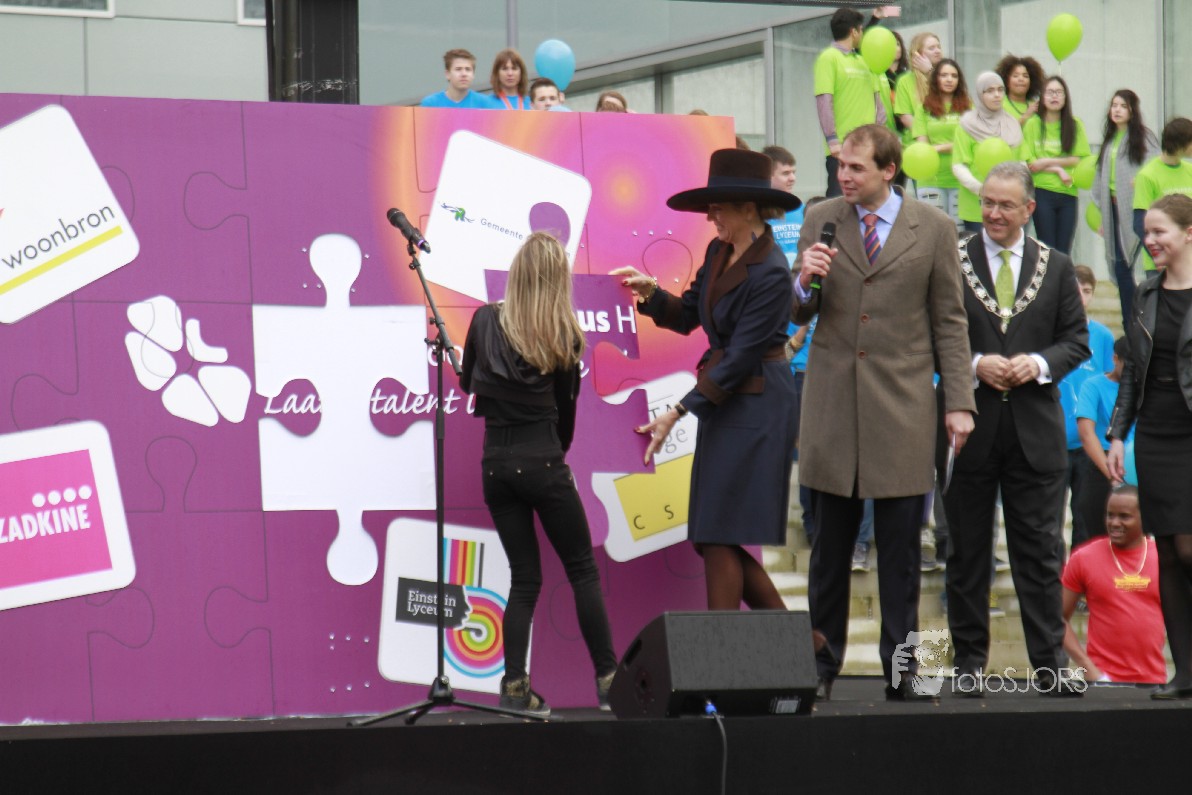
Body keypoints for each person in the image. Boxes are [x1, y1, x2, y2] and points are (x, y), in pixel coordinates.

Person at [793, 124, 975, 701]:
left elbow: (950, 320)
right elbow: (800, 312)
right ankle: (820, 667)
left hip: (902, 405)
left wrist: (960, 402)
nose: (843, 176)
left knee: (902, 554)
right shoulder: (821, 217)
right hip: (832, 404)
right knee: (828, 552)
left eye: (856, 167)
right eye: (840, 166)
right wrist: (803, 281)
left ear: (888, 170)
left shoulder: (935, 227)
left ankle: (905, 671)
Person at [611, 149, 800, 617]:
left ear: (749, 208)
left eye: (719, 208)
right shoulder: (719, 251)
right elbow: (689, 314)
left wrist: (679, 410)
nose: (711, 217)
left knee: (716, 533)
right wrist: (652, 293)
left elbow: (740, 358)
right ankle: (804, 643)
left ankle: (726, 647)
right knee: (712, 533)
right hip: (726, 401)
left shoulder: (773, 271)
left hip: (758, 406)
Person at [942, 161, 1090, 697]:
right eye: (987, 202)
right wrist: (974, 364)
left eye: (1005, 205)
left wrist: (1039, 363)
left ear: (1030, 208)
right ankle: (968, 665)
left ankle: (1049, 665)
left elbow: (1076, 341)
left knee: (1041, 554)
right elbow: (932, 334)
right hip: (969, 427)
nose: (994, 213)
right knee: (966, 553)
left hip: (1035, 430)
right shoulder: (951, 259)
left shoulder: (1058, 266)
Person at [460, 232, 618, 716]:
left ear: (517, 272)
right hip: (545, 461)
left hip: (495, 465)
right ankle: (609, 681)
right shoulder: (565, 334)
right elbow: (567, 416)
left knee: (524, 579)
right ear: (557, 280)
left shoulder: (484, 319)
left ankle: (514, 686)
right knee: (582, 570)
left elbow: (467, 382)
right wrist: (553, 454)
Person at [1108, 193, 1192, 699]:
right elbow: (1132, 372)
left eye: (1160, 231)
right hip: (1156, 433)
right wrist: (1118, 433)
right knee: (1169, 554)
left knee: (1189, 548)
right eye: (1147, 232)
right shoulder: (1145, 292)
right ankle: (1186, 673)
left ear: (1189, 233)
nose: (1150, 240)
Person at [1062, 486, 1166, 685]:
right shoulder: (1084, 557)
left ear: (1145, 517)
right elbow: (1056, 619)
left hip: (1154, 682)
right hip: (1101, 682)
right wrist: (1087, 667)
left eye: (1124, 516)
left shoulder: (1164, 558)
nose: (1114, 523)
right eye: (1110, 515)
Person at [1090, 90, 1160, 329]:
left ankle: (1146, 319)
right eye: (1114, 105)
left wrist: (1139, 181)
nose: (1117, 110)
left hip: (1136, 209)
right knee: (1120, 266)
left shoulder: (1145, 137)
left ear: (1132, 110)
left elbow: (1154, 166)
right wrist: (1103, 217)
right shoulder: (1110, 139)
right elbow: (1100, 176)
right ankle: (1129, 323)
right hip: (1112, 210)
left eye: (1123, 106)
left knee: (1143, 261)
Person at [1058, 266, 1116, 550]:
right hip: (1054, 440)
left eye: (1088, 291)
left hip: (1090, 444)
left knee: (1085, 522)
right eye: (1075, 290)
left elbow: (1109, 385)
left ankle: (1082, 574)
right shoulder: (1048, 332)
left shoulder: (1102, 336)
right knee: (1049, 520)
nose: (1081, 297)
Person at [814, 7, 885, 197]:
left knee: (867, 202)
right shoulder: (829, 57)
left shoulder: (864, 61)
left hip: (868, 148)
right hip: (842, 150)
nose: (863, 34)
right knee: (839, 203)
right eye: (861, 30)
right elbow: (824, 100)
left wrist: (880, 138)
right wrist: (832, 140)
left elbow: (878, 104)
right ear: (854, 32)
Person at [1021, 76, 1089, 254]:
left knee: (1064, 251)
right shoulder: (1033, 124)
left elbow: (1078, 159)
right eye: (1050, 92)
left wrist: (1047, 162)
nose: (1054, 96)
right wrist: (1059, 169)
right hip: (1041, 192)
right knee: (1047, 248)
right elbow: (1031, 164)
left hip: (1068, 193)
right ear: (1042, 97)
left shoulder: (1075, 124)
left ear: (1066, 97)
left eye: (1059, 92)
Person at [952, 72, 1023, 235]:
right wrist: (983, 190)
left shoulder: (1012, 124)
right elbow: (959, 166)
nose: (997, 95)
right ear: (979, 94)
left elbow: (1021, 163)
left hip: (1008, 205)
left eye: (1000, 90)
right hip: (975, 205)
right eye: (990, 91)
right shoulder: (967, 125)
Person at [1076, 335, 1129, 550]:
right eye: (1129, 366)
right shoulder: (1094, 386)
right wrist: (1112, 476)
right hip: (1102, 464)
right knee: (1098, 538)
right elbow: (1087, 434)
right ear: (1116, 359)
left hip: (1136, 463)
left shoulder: (1145, 388)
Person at [912, 58, 971, 229]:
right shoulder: (923, 109)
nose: (949, 79)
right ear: (935, 78)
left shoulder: (969, 108)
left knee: (958, 233)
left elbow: (970, 143)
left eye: (954, 76)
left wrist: (939, 147)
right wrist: (951, 146)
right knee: (933, 231)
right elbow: (923, 148)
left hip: (960, 179)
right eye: (944, 75)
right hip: (931, 180)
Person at [1132, 117, 1192, 274]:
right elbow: (1139, 223)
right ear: (1180, 143)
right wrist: (1157, 256)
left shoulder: (1190, 170)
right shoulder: (1147, 175)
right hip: (1160, 266)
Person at [894, 32, 943, 138]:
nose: (937, 51)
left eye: (939, 47)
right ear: (917, 54)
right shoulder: (905, 81)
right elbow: (905, 117)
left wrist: (930, 72)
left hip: (945, 138)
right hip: (918, 140)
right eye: (931, 48)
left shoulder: (948, 76)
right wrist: (925, 136)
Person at [762, 145, 804, 268]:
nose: (793, 178)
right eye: (786, 173)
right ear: (768, 176)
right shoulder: (757, 213)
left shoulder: (802, 209)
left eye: (793, 172)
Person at [420, 48, 502, 109]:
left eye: (468, 69)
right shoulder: (431, 104)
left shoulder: (485, 103)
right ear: (447, 74)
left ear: (473, 74)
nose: (464, 74)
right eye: (458, 69)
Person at [994, 54, 1045, 127]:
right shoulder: (999, 104)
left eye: (1025, 76)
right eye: (1015, 76)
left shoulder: (1036, 106)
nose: (1021, 79)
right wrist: (1026, 115)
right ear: (1006, 81)